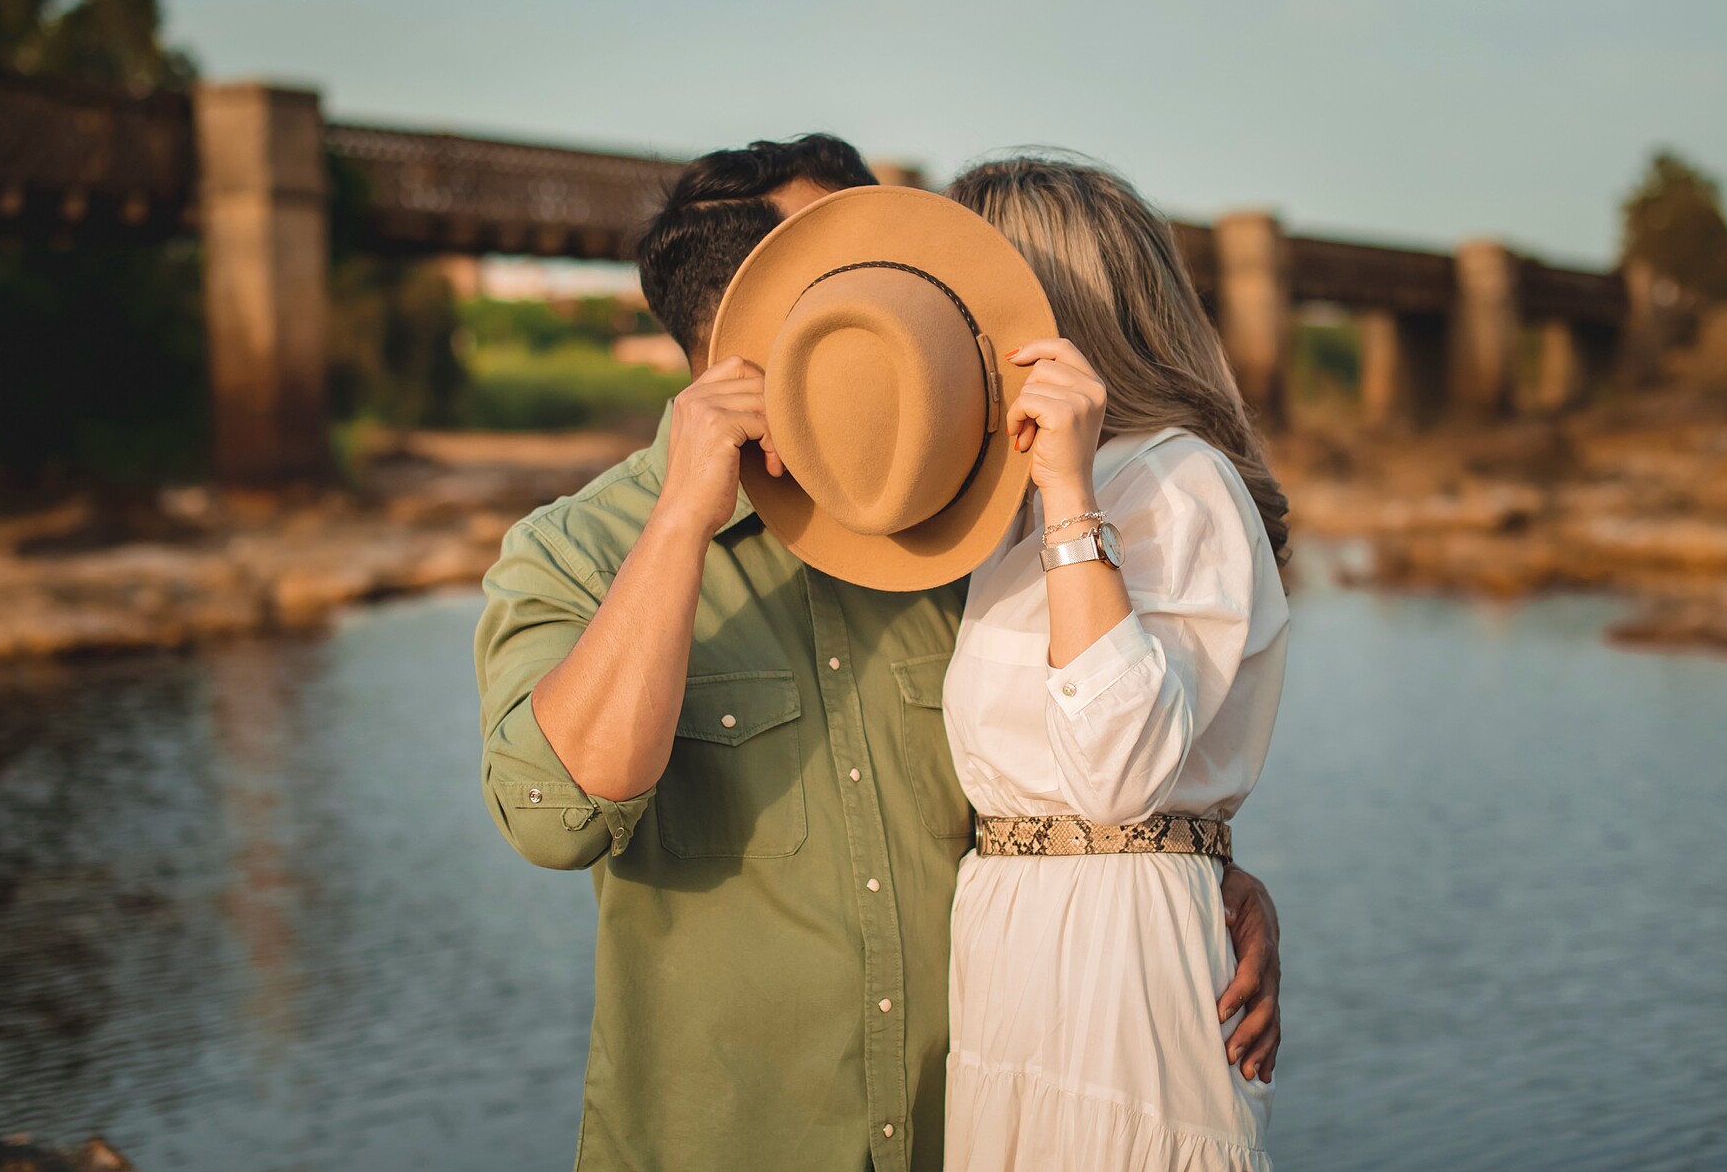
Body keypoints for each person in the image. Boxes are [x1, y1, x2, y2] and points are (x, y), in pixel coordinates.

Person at [474, 136, 1281, 1172]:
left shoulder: (971, 527)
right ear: (745, 320)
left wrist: (1199, 877)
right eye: (867, 269)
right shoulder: (572, 551)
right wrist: (681, 520)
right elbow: (553, 817)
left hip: (983, 1133)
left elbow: (1084, 753)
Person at [940, 157, 1290, 1170]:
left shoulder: (1179, 482)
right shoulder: (1005, 509)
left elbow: (1117, 772)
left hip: (1117, 968)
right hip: (1011, 961)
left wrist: (1067, 495)